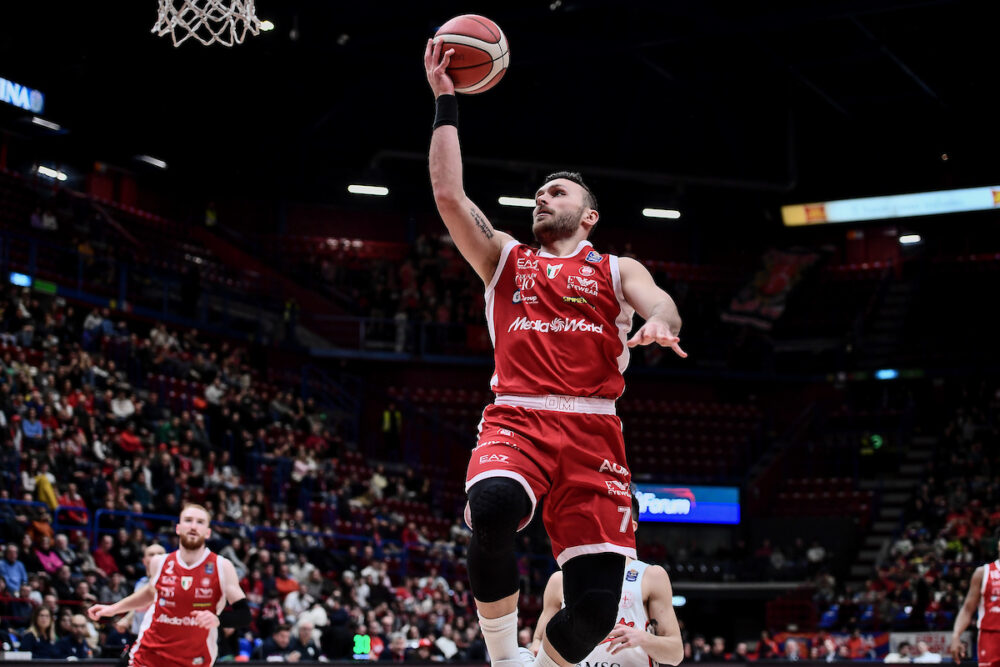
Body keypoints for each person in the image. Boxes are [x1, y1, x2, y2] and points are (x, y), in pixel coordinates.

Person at [424, 37, 686, 667]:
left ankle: (542, 666)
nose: (543, 197)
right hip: (518, 416)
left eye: (558, 192)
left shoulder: (617, 268)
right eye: (539, 193)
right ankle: (500, 656)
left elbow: (663, 302)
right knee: (490, 508)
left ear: (589, 215)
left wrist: (657, 322)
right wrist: (445, 104)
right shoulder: (506, 260)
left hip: (596, 432)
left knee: (595, 610)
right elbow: (451, 199)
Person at [87, 503, 251, 667]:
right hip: (149, 654)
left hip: (194, 659)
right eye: (188, 520)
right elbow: (151, 593)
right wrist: (113, 609)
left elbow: (244, 616)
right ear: (178, 528)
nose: (193, 526)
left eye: (200, 522)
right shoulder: (160, 562)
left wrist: (218, 619)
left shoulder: (222, 566)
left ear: (208, 532)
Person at [530, 495, 683, 667]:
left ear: (630, 526)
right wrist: (535, 648)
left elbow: (675, 654)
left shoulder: (651, 576)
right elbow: (537, 642)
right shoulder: (560, 579)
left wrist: (643, 638)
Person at [951, 530, 1000, 667]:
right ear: (998, 544)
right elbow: (967, 609)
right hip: (991, 637)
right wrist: (956, 636)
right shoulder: (983, 573)